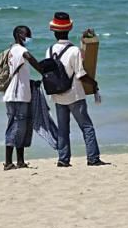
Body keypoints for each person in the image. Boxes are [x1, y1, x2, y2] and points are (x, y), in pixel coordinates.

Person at [45, 12, 109, 167]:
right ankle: (93, 158)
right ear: (69, 30)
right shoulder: (74, 51)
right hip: (74, 95)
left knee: (63, 129)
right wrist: (94, 83)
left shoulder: (49, 50)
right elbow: (81, 74)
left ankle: (63, 159)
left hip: (58, 95)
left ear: (54, 32)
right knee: (87, 127)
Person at [2, 25, 43, 170]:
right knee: (16, 127)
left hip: (18, 94)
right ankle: (8, 162)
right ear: (19, 35)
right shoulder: (20, 50)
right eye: (27, 35)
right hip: (17, 95)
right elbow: (32, 60)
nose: (29, 37)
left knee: (21, 128)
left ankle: (20, 161)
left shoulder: (11, 50)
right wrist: (45, 71)